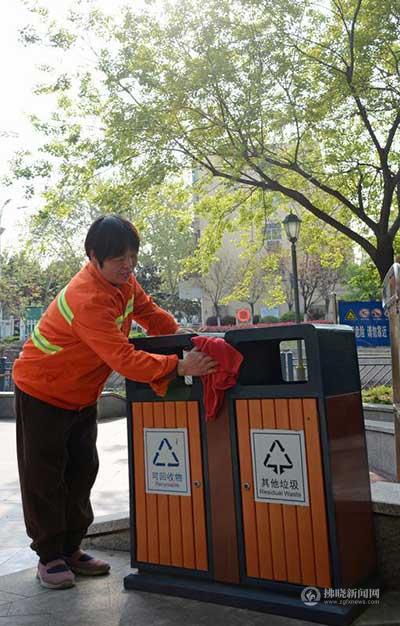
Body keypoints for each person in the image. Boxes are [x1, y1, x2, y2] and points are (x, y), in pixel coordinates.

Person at [13, 214, 217, 590]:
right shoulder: (86, 298)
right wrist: (178, 365)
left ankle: (71, 548)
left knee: (83, 469)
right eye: (119, 258)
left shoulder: (125, 282)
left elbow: (151, 315)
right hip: (42, 391)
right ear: (94, 257)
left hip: (80, 393)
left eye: (132, 256)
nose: (128, 265)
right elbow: (124, 359)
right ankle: (49, 556)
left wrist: (184, 337)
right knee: (45, 476)